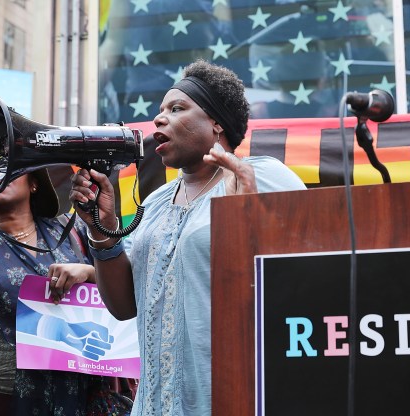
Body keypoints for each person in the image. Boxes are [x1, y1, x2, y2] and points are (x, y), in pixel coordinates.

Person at [69, 59, 306, 414]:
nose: (159, 119)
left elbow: (304, 281)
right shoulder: (156, 202)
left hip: (230, 401)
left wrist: (248, 218)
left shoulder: (266, 176)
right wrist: (100, 229)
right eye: (159, 111)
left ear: (216, 122)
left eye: (177, 109)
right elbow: (123, 307)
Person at [0, 109, 131, 415]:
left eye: (8, 167)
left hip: (69, 397)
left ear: (34, 182)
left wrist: (87, 272)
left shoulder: (74, 233)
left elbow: (126, 288)